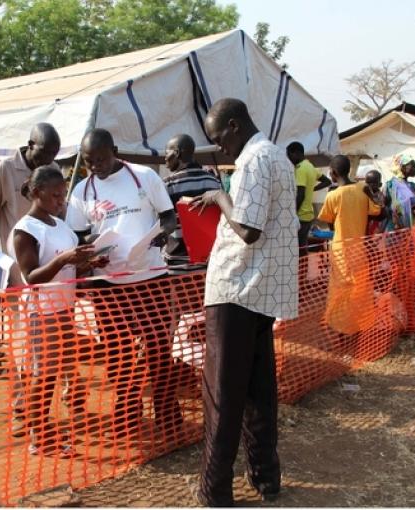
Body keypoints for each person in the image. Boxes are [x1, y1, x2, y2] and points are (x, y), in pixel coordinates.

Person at [188, 98, 298, 506]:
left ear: (234, 126)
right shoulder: (280, 158)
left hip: (234, 289)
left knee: (222, 396)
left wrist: (218, 197)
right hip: (263, 291)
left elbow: (248, 229)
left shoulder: (253, 160)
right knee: (258, 391)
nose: (220, 149)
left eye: (219, 140)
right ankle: (266, 479)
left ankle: (214, 491)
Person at [66, 128, 183, 440]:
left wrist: (159, 237)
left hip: (150, 277)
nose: (96, 167)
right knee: (118, 354)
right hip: (107, 284)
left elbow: (170, 218)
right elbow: (77, 237)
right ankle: (126, 415)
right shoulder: (81, 191)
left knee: (159, 348)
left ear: (115, 150)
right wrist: (91, 255)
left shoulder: (145, 177)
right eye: (89, 162)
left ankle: (168, 416)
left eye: (101, 159)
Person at [12, 165, 107, 456]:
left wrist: (89, 262)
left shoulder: (59, 224)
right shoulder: (25, 230)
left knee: (54, 373)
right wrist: (65, 258)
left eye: (63, 195)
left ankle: (41, 431)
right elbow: (31, 277)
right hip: (42, 312)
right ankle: (39, 436)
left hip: (64, 308)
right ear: (37, 192)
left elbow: (70, 264)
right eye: (55, 195)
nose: (60, 201)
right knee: (44, 375)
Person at [0, 123, 61, 289]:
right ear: (31, 145)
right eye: (45, 152)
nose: (49, 159)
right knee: (16, 313)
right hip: (14, 268)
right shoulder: (5, 169)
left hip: (46, 265)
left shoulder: (53, 169)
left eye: (54, 153)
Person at [317, 155, 383, 342]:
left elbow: (328, 222)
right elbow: (376, 211)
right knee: (359, 287)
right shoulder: (362, 189)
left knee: (340, 290)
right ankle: (359, 325)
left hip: (341, 251)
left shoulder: (333, 195)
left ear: (334, 173)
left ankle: (342, 331)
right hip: (359, 249)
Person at [162, 134, 222, 262]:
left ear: (176, 153)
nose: (165, 158)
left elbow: (162, 222)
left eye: (166, 153)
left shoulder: (168, 184)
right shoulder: (212, 180)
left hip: (178, 260)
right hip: (210, 257)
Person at [286, 141, 331, 256]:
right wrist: (312, 189)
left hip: (300, 215)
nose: (289, 159)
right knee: (303, 245)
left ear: (295, 153)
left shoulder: (300, 169)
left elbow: (300, 194)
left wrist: (292, 213)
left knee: (297, 249)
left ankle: (300, 272)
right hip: (309, 215)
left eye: (289, 155)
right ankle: (304, 271)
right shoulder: (311, 167)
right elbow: (327, 181)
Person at [382, 153, 415, 231]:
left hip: (411, 229)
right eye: (413, 166)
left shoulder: (413, 186)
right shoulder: (390, 186)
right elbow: (384, 206)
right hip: (395, 230)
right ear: (402, 167)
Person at [362, 169, 385, 235]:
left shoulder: (379, 195)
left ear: (380, 185)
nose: (370, 185)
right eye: (368, 182)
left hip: (375, 224)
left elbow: (380, 207)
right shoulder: (364, 193)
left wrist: (370, 195)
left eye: (373, 183)